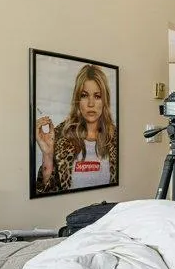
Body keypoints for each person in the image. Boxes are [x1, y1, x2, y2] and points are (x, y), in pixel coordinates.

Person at [34, 64, 118, 194]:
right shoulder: (60, 135)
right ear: (77, 100)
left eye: (97, 96)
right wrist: (48, 154)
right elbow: (45, 194)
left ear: (104, 100)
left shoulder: (115, 137)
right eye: (84, 95)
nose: (91, 104)